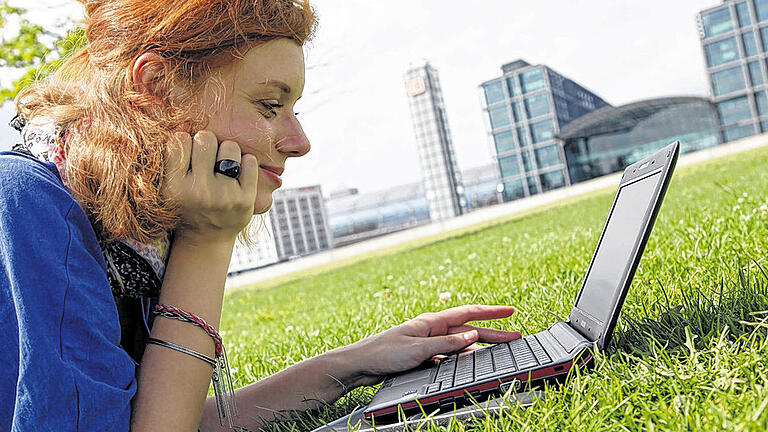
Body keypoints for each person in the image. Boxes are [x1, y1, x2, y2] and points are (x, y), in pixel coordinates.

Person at [0, 1, 522, 431]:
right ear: (157, 87)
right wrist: (207, 245)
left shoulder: (128, 236)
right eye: (270, 106)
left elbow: (166, 421)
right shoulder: (34, 207)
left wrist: (356, 362)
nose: (299, 142)